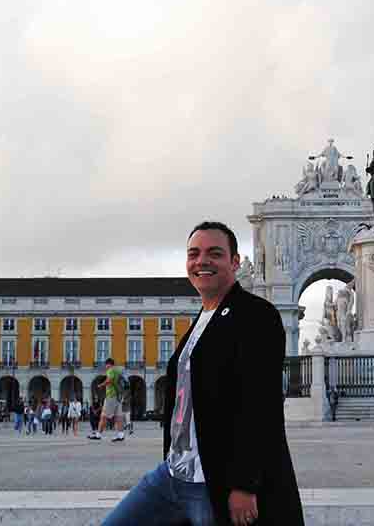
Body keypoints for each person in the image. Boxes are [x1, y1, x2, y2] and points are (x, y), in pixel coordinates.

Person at [103, 221, 304, 526]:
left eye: (214, 253)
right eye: (194, 254)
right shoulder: (201, 320)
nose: (202, 261)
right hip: (174, 474)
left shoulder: (256, 315)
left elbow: (261, 404)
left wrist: (245, 483)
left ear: (235, 262)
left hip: (215, 481)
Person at [88, 358, 126, 442]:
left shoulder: (110, 370)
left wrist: (101, 385)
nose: (105, 367)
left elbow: (109, 380)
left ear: (109, 364)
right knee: (118, 416)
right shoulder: (118, 371)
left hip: (111, 396)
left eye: (106, 365)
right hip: (118, 396)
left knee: (103, 416)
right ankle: (120, 435)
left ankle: (98, 435)